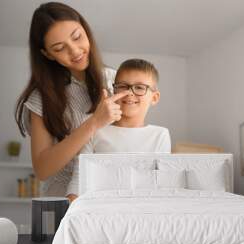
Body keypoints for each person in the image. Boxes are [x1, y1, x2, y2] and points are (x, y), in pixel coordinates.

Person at [15, 2, 129, 197]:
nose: (75, 51)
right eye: (60, 48)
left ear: (85, 29)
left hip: (110, 198)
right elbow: (42, 169)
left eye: (77, 37)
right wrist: (94, 123)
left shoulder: (116, 80)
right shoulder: (42, 98)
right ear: (47, 54)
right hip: (62, 204)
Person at [66, 58, 171, 201]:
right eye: (123, 86)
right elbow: (78, 183)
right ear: (113, 91)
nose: (130, 93)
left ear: (154, 97)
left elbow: (162, 186)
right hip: (99, 212)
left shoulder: (160, 135)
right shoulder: (95, 131)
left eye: (140, 87)